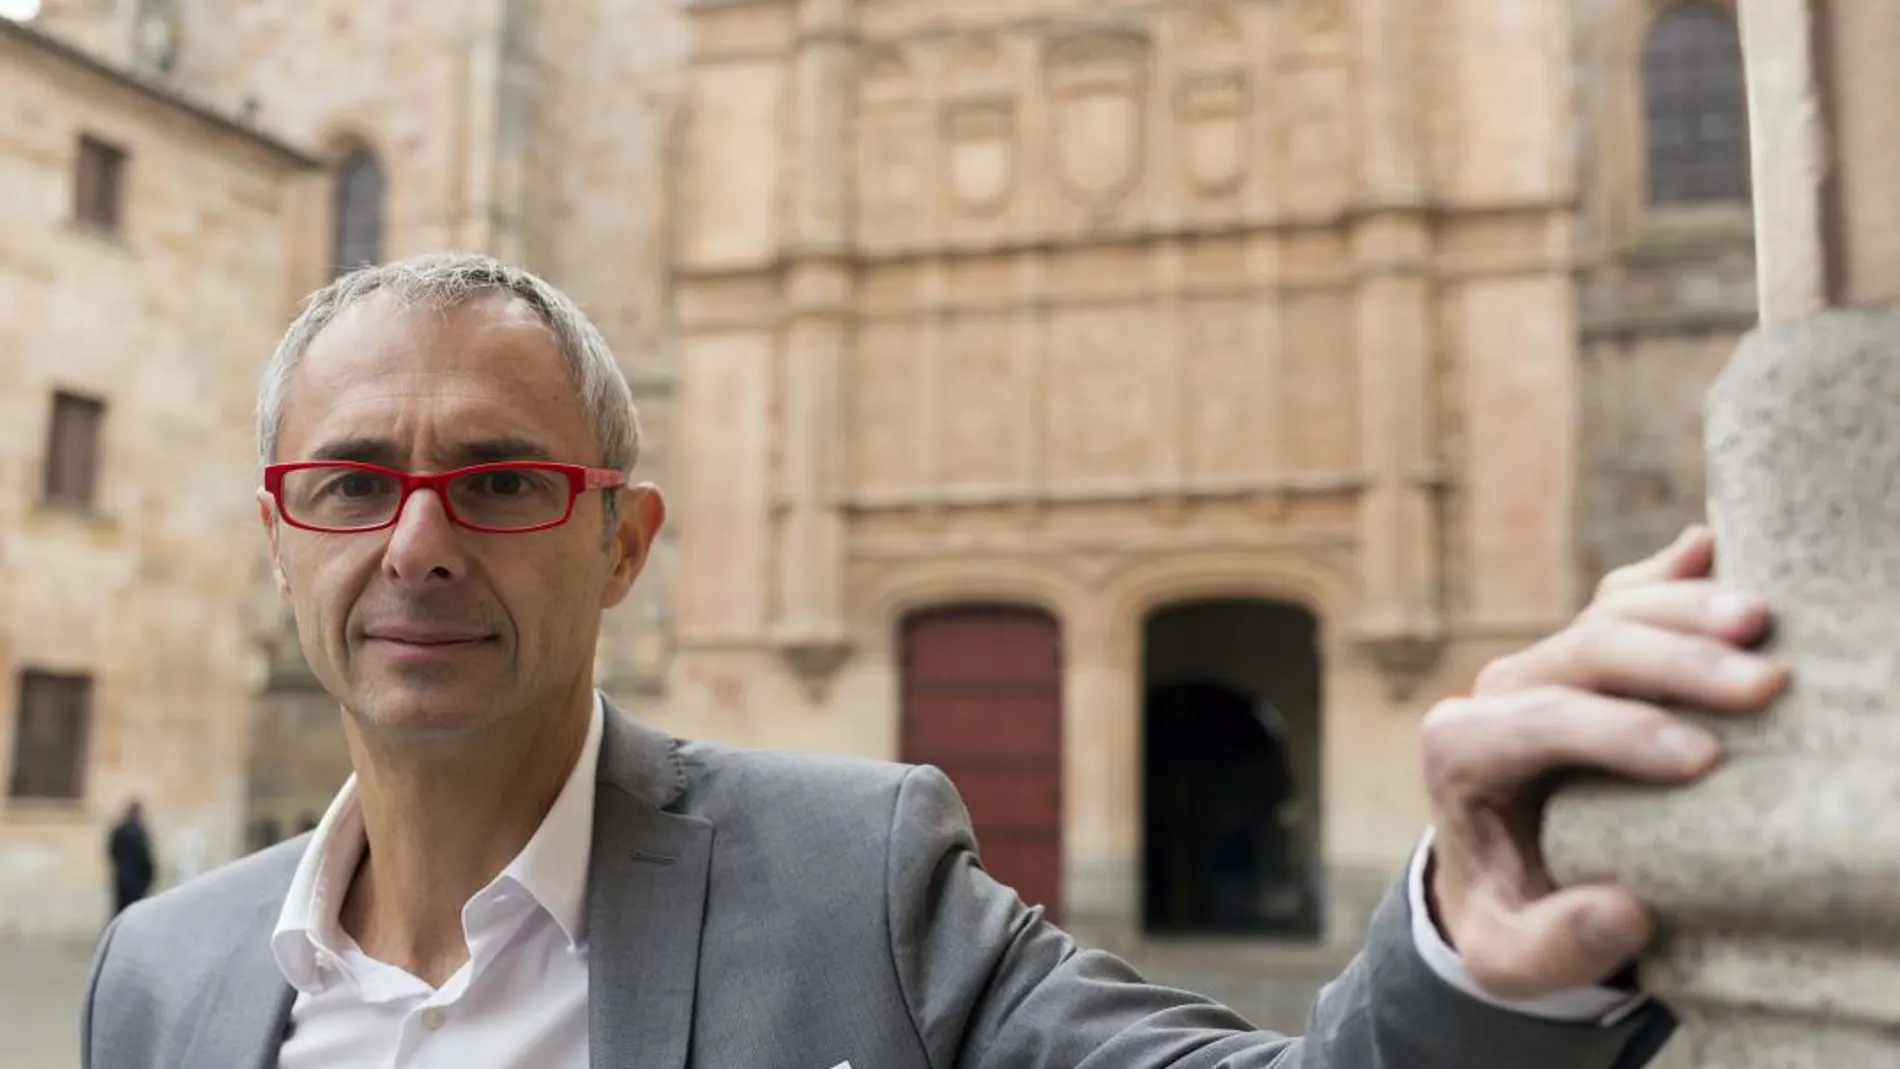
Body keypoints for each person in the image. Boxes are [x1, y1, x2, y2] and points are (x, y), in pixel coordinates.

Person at [78, 253, 1787, 1068]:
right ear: (279, 530)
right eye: (356, 480)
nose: (422, 539)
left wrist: (1474, 951)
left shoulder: (856, 881)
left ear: (624, 539)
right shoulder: (159, 972)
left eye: (508, 479)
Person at [105, 800, 156, 918]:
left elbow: (112, 850)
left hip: (122, 878)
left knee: (121, 912)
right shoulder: (138, 832)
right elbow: (144, 857)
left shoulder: (120, 829)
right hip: (136, 881)